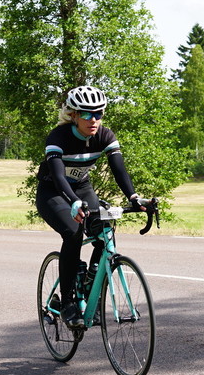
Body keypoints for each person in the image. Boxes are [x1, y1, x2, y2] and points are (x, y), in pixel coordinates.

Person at [36, 85, 146, 328]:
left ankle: (90, 280)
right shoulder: (58, 137)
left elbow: (119, 170)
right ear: (73, 115)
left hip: (83, 188)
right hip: (53, 191)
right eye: (86, 114)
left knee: (104, 231)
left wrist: (134, 197)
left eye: (99, 113)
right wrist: (73, 202)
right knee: (73, 234)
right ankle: (67, 304)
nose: (93, 119)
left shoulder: (105, 136)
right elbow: (58, 176)